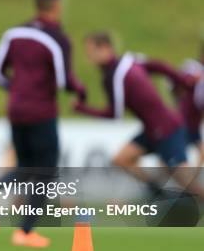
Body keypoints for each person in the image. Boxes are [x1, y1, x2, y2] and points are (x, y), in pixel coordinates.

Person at [0, 0, 86, 248]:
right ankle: (25, 231)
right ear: (56, 6)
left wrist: (17, 90)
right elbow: (65, 81)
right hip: (41, 112)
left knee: (25, 167)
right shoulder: (57, 39)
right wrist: (82, 91)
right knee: (46, 172)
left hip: (16, 109)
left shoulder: (14, 33)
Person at [74, 32, 204, 201]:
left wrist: (83, 109)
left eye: (91, 52)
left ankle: (167, 195)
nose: (89, 58)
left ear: (106, 48)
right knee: (121, 159)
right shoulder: (129, 61)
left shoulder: (115, 76)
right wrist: (181, 80)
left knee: (188, 183)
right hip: (152, 130)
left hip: (167, 130)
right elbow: (159, 66)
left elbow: (115, 114)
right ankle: (159, 193)